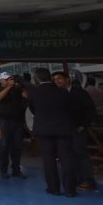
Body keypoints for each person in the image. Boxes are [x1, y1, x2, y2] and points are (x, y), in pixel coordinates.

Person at [28, 68, 77, 197]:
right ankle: (70, 190)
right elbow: (71, 109)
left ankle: (53, 188)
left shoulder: (34, 93)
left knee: (48, 160)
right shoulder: (63, 92)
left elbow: (33, 109)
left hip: (44, 130)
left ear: (36, 79)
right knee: (67, 159)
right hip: (63, 129)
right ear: (50, 78)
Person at [0, 72, 28, 179]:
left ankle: (16, 170)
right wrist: (9, 87)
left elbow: (26, 96)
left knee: (17, 147)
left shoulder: (16, 89)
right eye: (6, 79)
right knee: (4, 147)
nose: (8, 81)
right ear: (1, 80)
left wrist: (20, 85)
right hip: (3, 121)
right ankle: (3, 170)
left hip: (17, 121)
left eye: (10, 79)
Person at [67, 74, 97, 191]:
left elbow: (90, 109)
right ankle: (78, 179)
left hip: (78, 129)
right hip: (65, 130)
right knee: (71, 155)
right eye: (54, 79)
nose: (56, 81)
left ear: (67, 79)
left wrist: (83, 125)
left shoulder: (79, 92)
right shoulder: (60, 93)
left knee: (81, 154)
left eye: (59, 78)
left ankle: (88, 180)